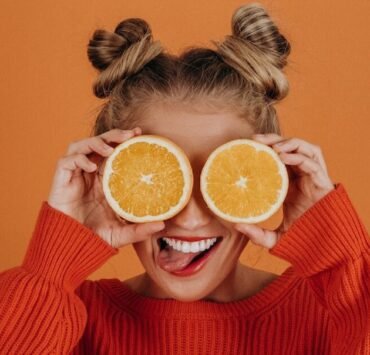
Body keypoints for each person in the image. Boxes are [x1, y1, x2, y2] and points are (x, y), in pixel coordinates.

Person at [0, 3, 369, 354]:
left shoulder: (331, 316)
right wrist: (51, 268)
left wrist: (343, 261)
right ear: (110, 179)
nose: (190, 218)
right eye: (160, 180)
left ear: (269, 178)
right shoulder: (58, 315)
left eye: (219, 177)